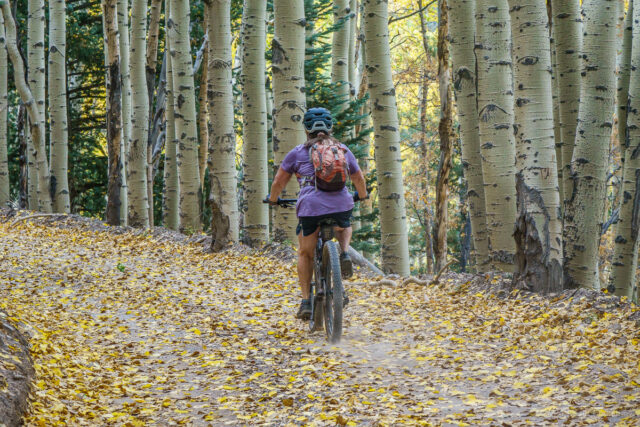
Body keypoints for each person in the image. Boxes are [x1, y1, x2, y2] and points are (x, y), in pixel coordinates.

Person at [266, 107, 368, 320]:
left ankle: (305, 301)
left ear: (306, 129)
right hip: (341, 204)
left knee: (305, 253)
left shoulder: (297, 152)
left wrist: (274, 200)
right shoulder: (342, 149)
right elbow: (358, 179)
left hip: (310, 207)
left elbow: (278, 182)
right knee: (344, 222)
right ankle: (344, 252)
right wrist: (362, 196)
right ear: (330, 128)